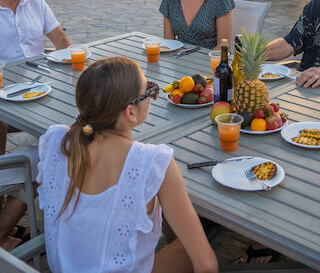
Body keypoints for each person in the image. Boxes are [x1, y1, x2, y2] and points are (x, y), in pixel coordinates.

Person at [37, 57, 218, 273]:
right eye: (149, 90)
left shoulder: (57, 141)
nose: (152, 95)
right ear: (130, 112)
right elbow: (206, 266)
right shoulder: (151, 161)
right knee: (198, 247)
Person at [0, 0, 71, 250]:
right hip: (4, 95)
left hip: (41, 90)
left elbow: (62, 43)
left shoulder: (36, 3)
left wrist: (74, 65)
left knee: (67, 132)